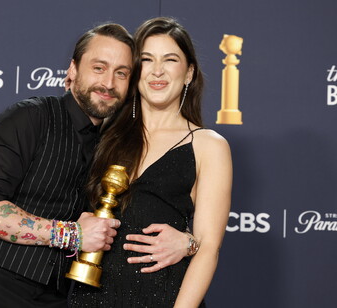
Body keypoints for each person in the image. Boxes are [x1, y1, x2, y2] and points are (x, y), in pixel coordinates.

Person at [0, 23, 134, 308]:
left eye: (121, 73)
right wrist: (73, 234)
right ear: (73, 69)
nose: (109, 83)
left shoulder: (111, 147)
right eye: (99, 68)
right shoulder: (30, 117)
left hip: (55, 296)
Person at [70, 17, 232, 307]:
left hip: (163, 296)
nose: (157, 71)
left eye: (170, 60)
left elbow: (209, 247)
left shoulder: (208, 145)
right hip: (89, 295)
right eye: (146, 59)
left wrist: (189, 242)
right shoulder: (104, 132)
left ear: (189, 73)